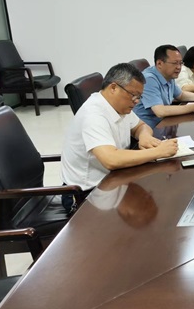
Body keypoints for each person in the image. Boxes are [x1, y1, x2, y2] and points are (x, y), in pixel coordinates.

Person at [60, 63, 179, 211]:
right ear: (113, 88)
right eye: (133, 95)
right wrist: (158, 152)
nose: (136, 101)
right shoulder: (94, 115)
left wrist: (144, 136)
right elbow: (111, 159)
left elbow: (141, 126)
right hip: (87, 193)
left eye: (139, 97)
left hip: (113, 180)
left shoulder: (120, 107)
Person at [133, 44, 194, 128]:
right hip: (149, 128)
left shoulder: (169, 74)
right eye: (175, 63)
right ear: (159, 63)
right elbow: (160, 111)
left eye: (180, 63)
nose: (179, 67)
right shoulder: (149, 79)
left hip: (164, 123)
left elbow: (181, 95)